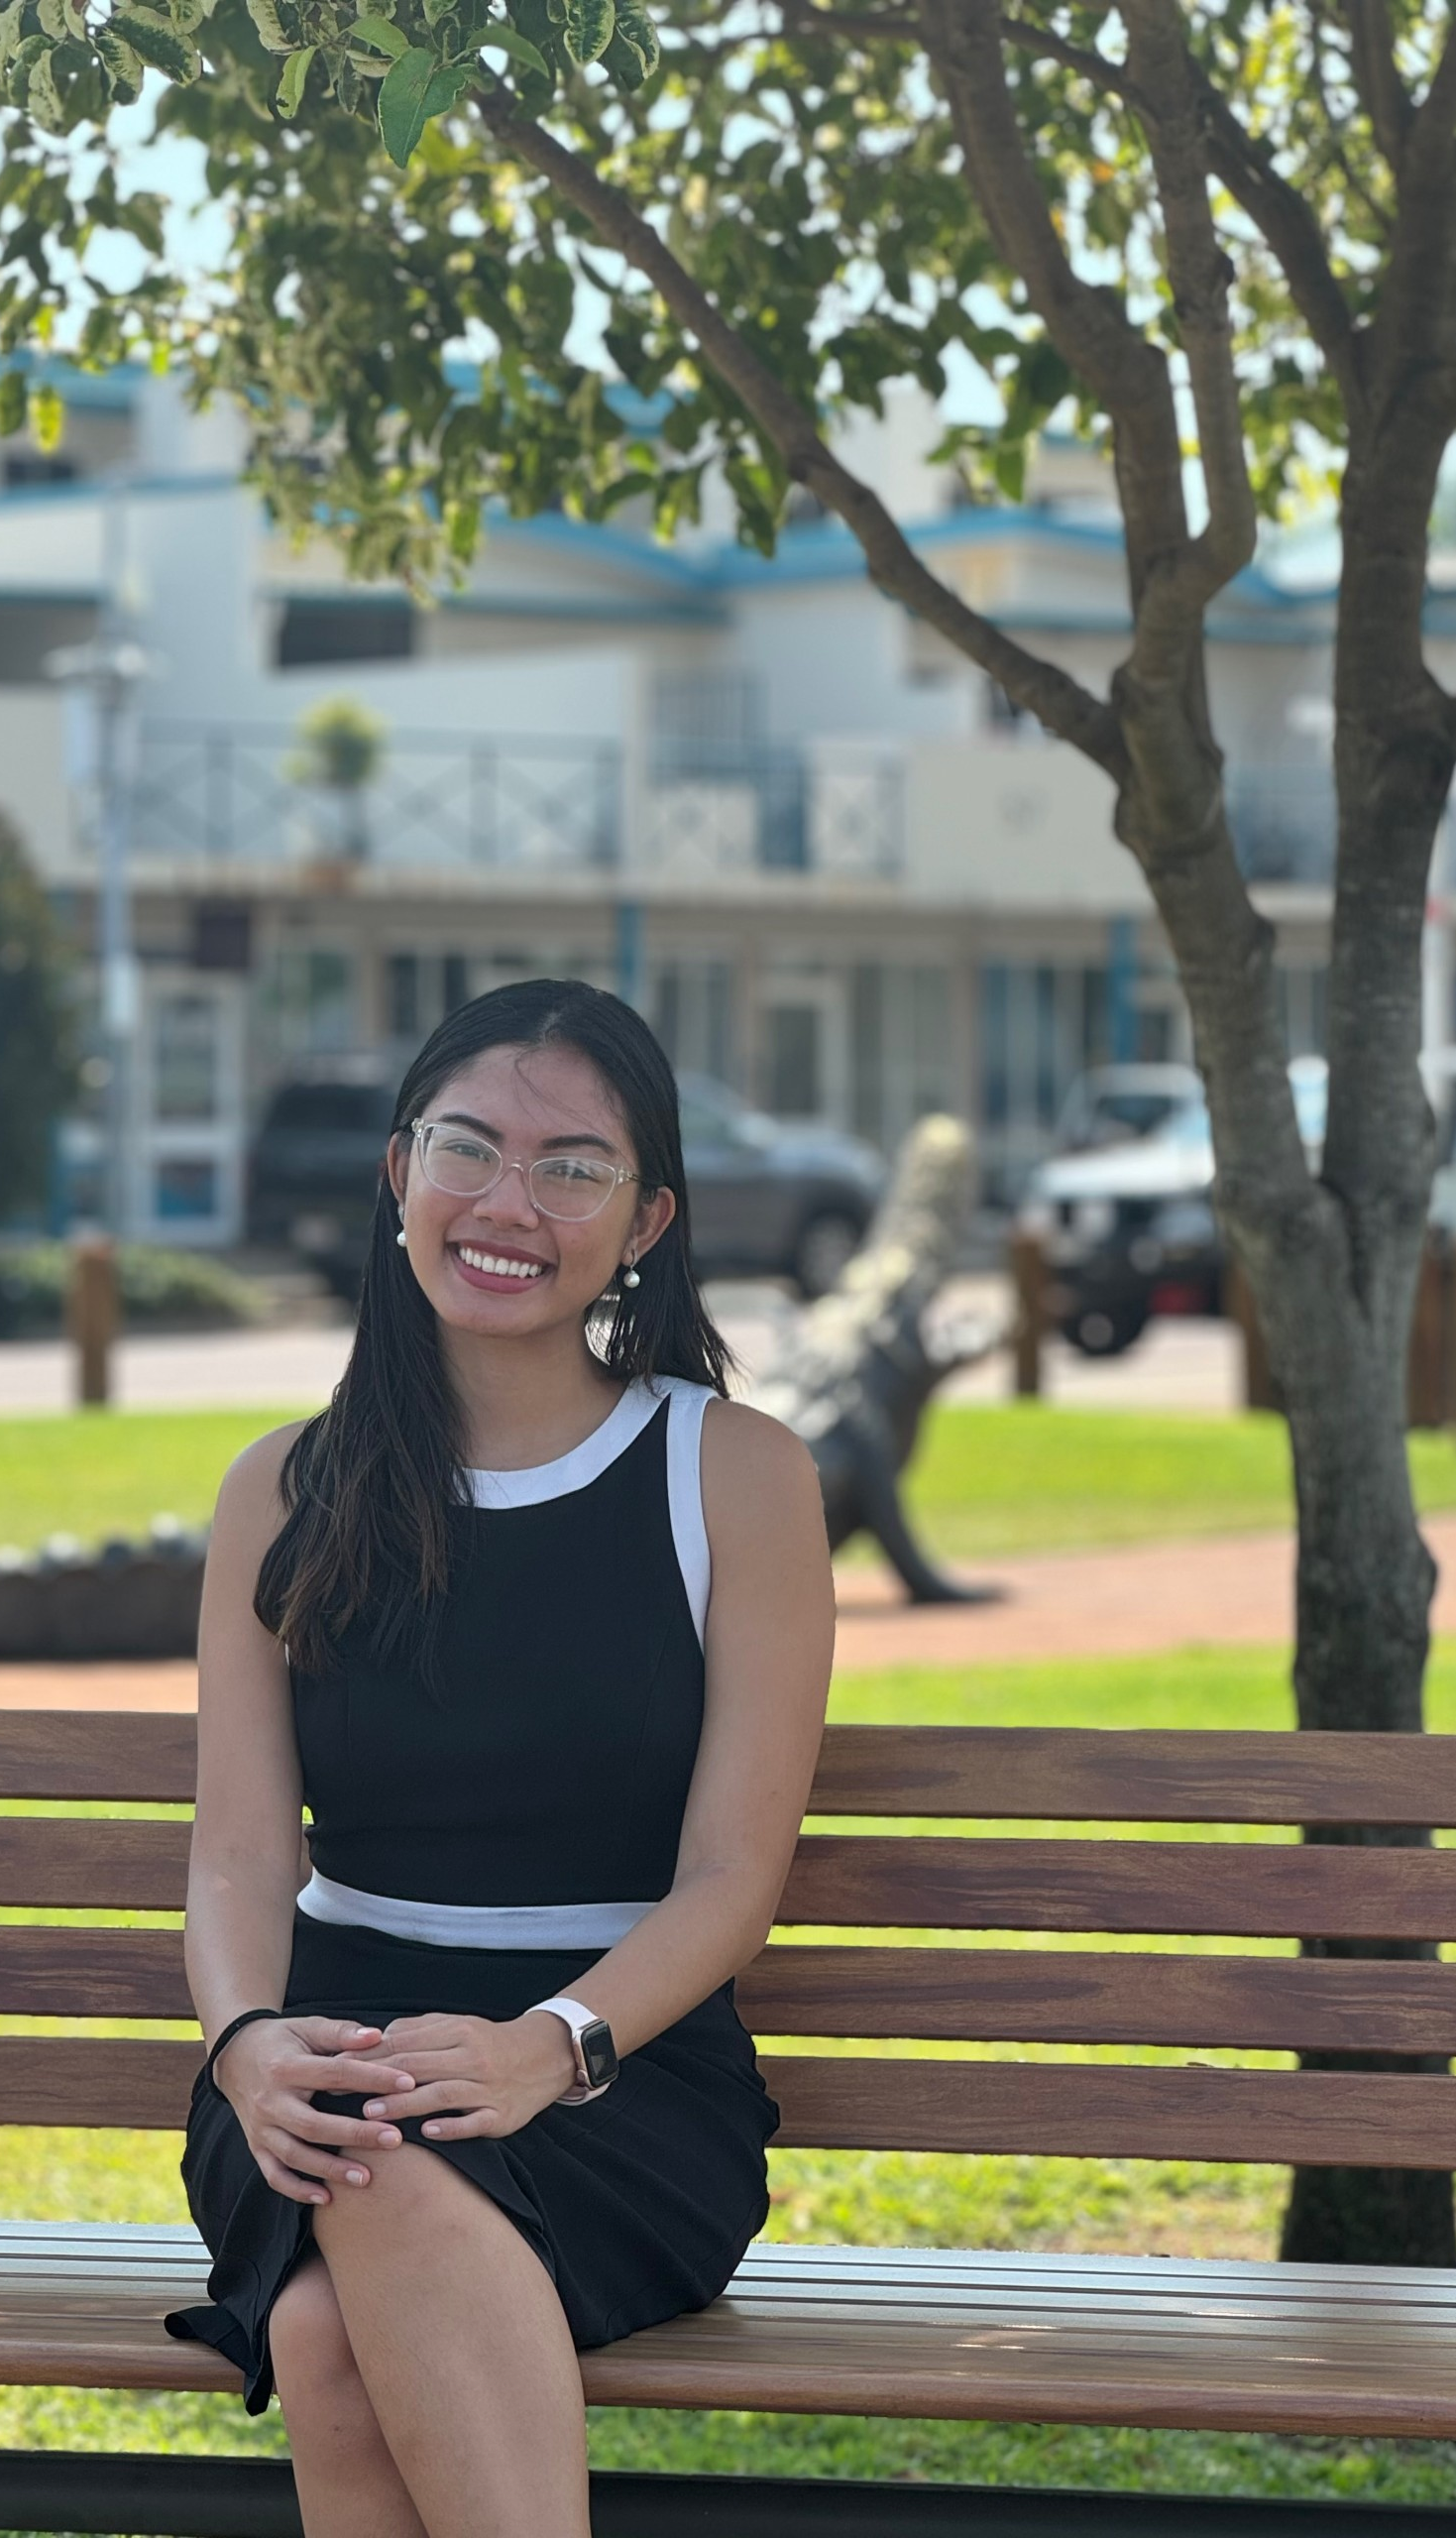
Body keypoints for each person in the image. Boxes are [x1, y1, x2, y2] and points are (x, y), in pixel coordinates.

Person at [168, 978, 835, 2538]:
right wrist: (246, 2043)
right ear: (400, 1169)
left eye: (574, 1166)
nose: (508, 1202)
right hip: (313, 2070)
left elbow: (737, 1877)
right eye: (469, 1146)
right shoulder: (283, 1489)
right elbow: (242, 1856)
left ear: (649, 1217)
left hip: (623, 2076)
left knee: (333, 2321)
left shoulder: (730, 1473)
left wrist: (551, 2046)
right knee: (364, 2195)